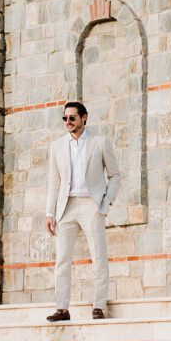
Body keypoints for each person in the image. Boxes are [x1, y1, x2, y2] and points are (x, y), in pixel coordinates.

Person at [44, 101, 122, 322]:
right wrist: (49, 213)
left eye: (72, 118)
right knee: (62, 260)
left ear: (84, 118)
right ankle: (62, 308)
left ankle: (99, 306)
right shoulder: (57, 146)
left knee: (98, 257)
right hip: (65, 207)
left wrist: (106, 202)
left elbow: (115, 175)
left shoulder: (100, 142)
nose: (68, 122)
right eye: (65, 118)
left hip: (91, 205)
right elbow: (54, 182)